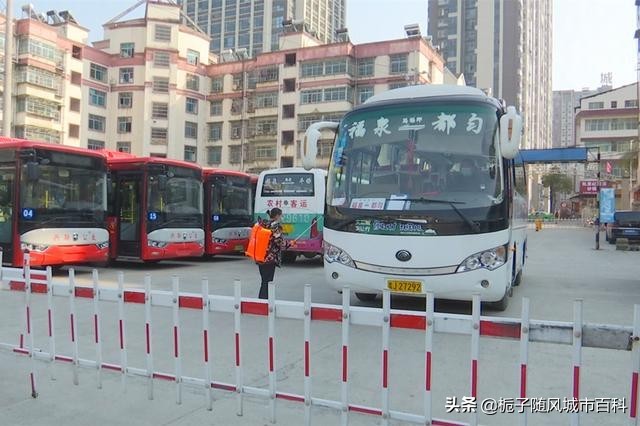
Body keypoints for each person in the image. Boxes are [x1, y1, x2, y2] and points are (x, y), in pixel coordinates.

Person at [256, 208, 290, 299]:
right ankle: (265, 301)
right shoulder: (275, 226)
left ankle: (262, 300)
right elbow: (279, 241)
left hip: (260, 256)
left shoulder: (263, 224)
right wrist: (289, 244)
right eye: (281, 216)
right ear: (277, 216)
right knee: (268, 281)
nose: (281, 218)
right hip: (269, 258)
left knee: (264, 281)